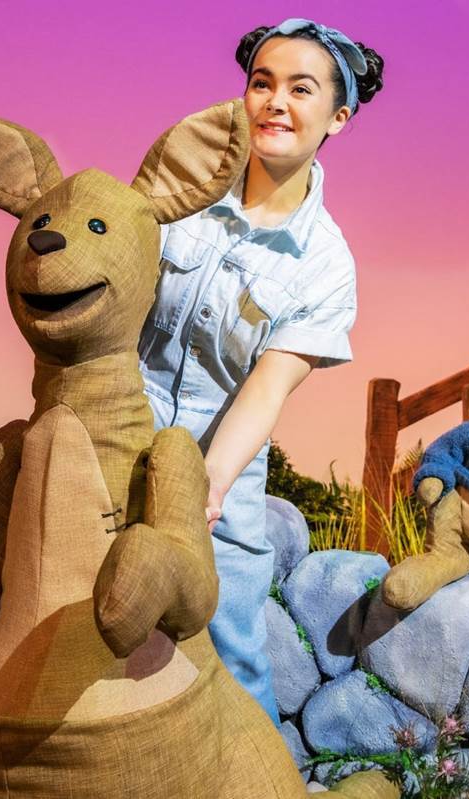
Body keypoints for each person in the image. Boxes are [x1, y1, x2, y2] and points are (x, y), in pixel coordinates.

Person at [138, 18, 385, 720]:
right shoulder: (178, 192)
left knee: (230, 643)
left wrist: (207, 484)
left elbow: (266, 388)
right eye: (261, 83)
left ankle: (259, 765)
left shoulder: (326, 264)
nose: (275, 101)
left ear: (337, 118)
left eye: (301, 90)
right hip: (121, 419)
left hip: (223, 456)